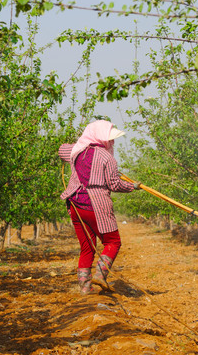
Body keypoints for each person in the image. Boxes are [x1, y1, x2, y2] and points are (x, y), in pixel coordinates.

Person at [59, 120, 140, 295]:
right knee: (113, 241)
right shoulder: (107, 157)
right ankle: (100, 275)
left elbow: (62, 150)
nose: (112, 142)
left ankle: (85, 288)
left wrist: (79, 142)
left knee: (87, 247)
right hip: (95, 205)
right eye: (110, 139)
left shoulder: (77, 151)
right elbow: (114, 184)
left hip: (75, 204)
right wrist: (132, 186)